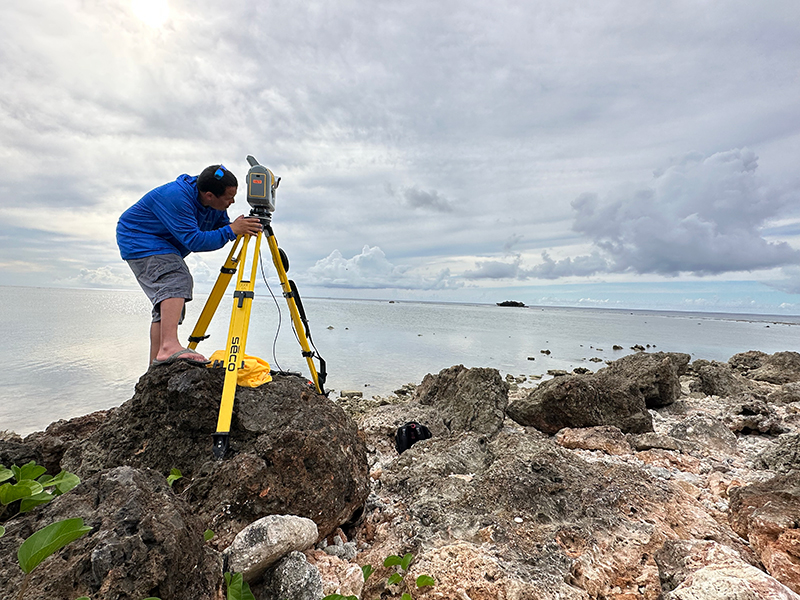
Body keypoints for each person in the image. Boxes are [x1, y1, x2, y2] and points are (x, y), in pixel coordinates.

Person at [116, 164, 262, 366]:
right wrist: (231, 231)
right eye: (229, 197)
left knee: (166, 301)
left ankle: (157, 362)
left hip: (163, 243)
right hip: (139, 238)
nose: (233, 201)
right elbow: (194, 240)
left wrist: (238, 227)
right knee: (176, 279)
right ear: (209, 195)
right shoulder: (176, 197)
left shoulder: (212, 203)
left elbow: (221, 227)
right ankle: (169, 347)